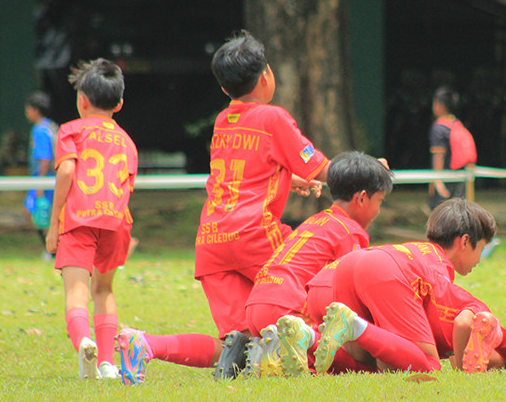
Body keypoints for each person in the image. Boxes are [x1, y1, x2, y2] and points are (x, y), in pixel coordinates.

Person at [116, 152, 392, 383]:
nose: (379, 210)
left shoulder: (315, 221)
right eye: (380, 201)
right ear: (362, 198)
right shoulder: (351, 232)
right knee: (357, 363)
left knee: (234, 347)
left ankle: (147, 344)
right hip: (288, 305)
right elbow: (347, 299)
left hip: (254, 295)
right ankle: (271, 356)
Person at [184, 30, 330, 382]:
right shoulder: (273, 118)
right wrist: (368, 169)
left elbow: (241, 173)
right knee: (303, 292)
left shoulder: (223, 120)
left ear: (224, 89)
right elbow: (321, 167)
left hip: (212, 242)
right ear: (267, 75)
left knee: (241, 330)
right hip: (255, 235)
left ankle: (240, 355)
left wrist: (287, 180)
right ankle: (311, 350)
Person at [312, 198, 496, 374]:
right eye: (480, 248)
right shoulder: (439, 267)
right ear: (464, 241)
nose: (479, 259)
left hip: (347, 265)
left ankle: (309, 339)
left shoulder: (418, 251)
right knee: (429, 364)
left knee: (363, 364)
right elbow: (446, 327)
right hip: (382, 269)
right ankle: (354, 325)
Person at [45, 59, 137, 382]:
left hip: (79, 219)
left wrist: (55, 222)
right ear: (120, 103)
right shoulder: (127, 142)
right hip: (114, 223)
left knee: (76, 292)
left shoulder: (70, 130)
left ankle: (84, 342)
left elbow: (68, 171)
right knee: (104, 290)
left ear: (82, 101)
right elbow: (127, 187)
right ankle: (109, 364)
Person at [23, 91, 57, 259]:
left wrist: (39, 185)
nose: (27, 112)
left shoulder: (40, 130)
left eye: (28, 109)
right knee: (41, 213)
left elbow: (44, 159)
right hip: (49, 179)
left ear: (35, 110)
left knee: (37, 213)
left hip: (44, 178)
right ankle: (51, 250)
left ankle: (51, 250)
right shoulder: (51, 126)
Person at [428, 86, 468, 210]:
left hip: (445, 181)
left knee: (439, 218)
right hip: (460, 178)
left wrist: (437, 182)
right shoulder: (457, 123)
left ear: (440, 105)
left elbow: (438, 155)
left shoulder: (438, 128)